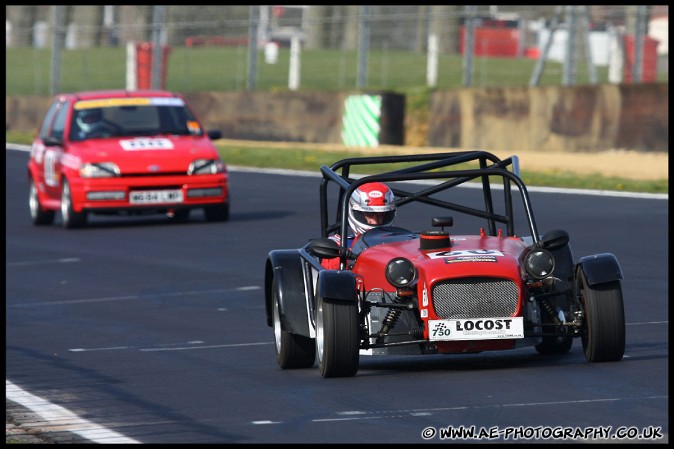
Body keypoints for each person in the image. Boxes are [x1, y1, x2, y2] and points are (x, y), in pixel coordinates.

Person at [321, 182, 396, 269]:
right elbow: (328, 266)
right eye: (369, 214)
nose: (374, 222)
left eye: (381, 215)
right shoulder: (340, 245)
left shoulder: (400, 241)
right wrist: (351, 255)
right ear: (355, 212)